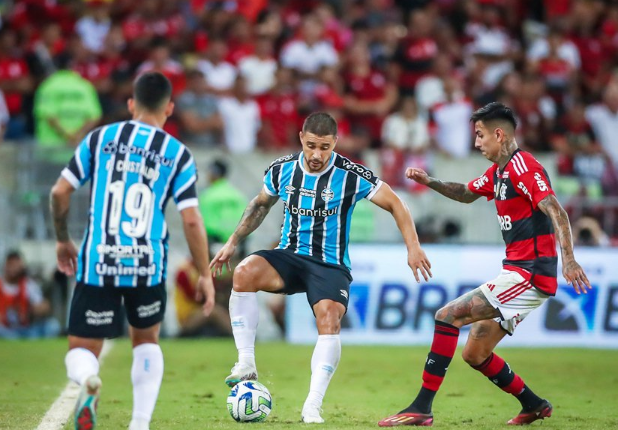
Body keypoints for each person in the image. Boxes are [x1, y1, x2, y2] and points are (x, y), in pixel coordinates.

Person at [378, 102, 592, 427]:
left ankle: (421, 408)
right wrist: (429, 181)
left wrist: (570, 260)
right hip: (517, 272)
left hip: (530, 272)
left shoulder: (524, 168)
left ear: (498, 133)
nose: (476, 143)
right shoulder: (499, 172)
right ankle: (534, 404)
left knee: (447, 315)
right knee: (474, 354)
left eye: (479, 136)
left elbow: (556, 210)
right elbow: (466, 193)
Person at [210, 112, 432, 424]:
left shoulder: (351, 173)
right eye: (311, 145)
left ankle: (312, 405)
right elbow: (260, 204)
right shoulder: (282, 169)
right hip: (289, 255)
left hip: (330, 264)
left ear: (335, 143)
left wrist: (413, 246)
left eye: (324, 147)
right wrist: (233, 241)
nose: (316, 155)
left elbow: (396, 202)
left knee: (329, 319)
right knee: (244, 272)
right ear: (301, 137)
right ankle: (246, 362)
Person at [49, 72, 216, 430]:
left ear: (131, 104)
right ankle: (139, 424)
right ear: (169, 108)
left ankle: (88, 380)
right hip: (148, 263)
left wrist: (63, 239)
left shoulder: (100, 139)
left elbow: (59, 192)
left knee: (81, 347)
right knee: (146, 340)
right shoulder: (178, 154)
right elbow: (191, 220)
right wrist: (204, 273)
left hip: (99, 260)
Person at [0, 250, 60, 339]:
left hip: (26, 329)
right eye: (11, 265)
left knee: (53, 326)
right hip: (5, 330)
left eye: (17, 265)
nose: (14, 269)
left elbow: (43, 306)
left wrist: (37, 309)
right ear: (6, 266)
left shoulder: (29, 285)